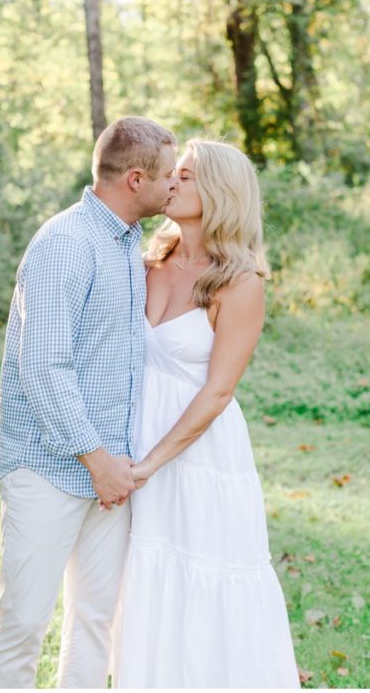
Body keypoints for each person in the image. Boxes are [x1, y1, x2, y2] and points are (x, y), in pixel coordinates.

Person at [0, 117, 179, 688]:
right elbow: (44, 367)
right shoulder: (65, 244)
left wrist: (115, 464)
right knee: (22, 621)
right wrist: (99, 460)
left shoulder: (127, 244)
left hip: (112, 472)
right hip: (50, 466)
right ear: (136, 179)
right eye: (168, 176)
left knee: (95, 621)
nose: (174, 186)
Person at [112, 139, 299, 687]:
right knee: (144, 577)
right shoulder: (147, 258)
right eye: (173, 173)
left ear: (218, 191)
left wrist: (150, 464)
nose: (172, 181)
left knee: (201, 575)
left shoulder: (240, 282)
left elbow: (218, 394)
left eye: (186, 175)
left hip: (197, 454)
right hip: (132, 436)